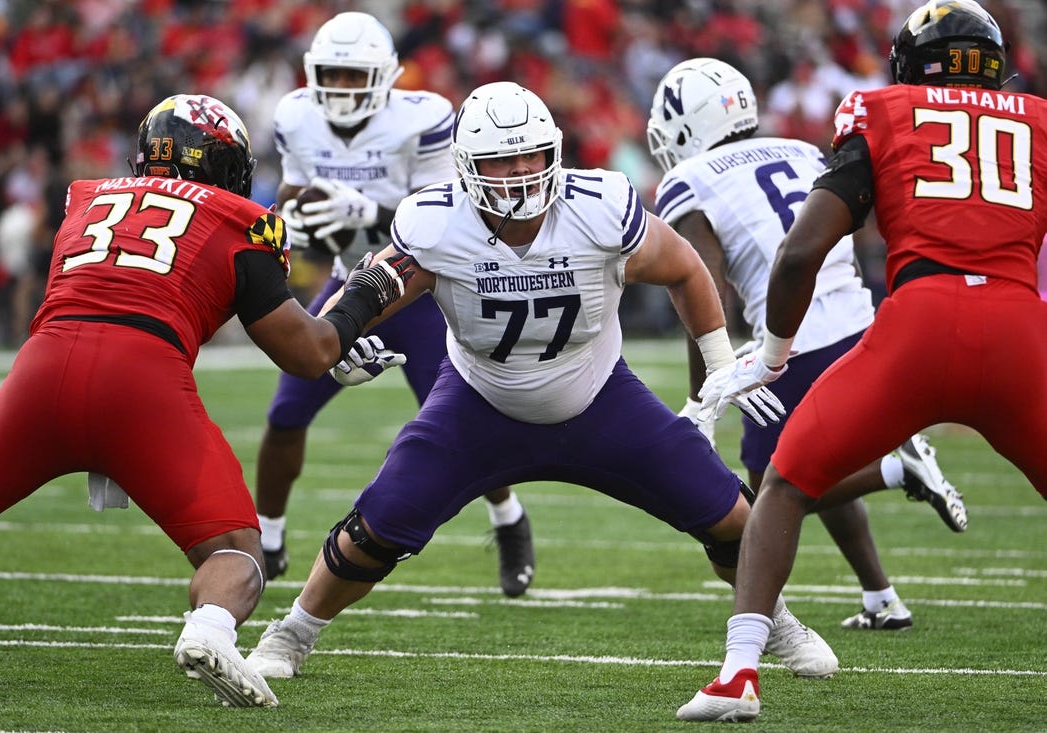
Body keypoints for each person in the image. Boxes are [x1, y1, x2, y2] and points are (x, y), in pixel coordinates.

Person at [244, 81, 840, 686]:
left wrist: (719, 362)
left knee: (731, 516)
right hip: (479, 403)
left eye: (532, 154)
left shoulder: (599, 206)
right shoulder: (436, 220)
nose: (522, 171)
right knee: (376, 526)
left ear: (555, 150)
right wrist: (341, 335)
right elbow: (375, 285)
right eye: (503, 158)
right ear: (466, 167)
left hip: (600, 398)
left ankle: (778, 621)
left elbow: (685, 266)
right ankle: (293, 630)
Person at [0, 93, 414, 708]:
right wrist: (369, 291)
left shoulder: (86, 197)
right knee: (235, 552)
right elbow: (306, 353)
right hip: (142, 380)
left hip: (40, 370)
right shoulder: (240, 217)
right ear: (223, 164)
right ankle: (210, 629)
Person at [680, 0, 1047, 722]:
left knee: (784, 482)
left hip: (917, 325)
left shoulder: (881, 111)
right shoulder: (1038, 120)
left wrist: (773, 354)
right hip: (1017, 329)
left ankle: (739, 673)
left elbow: (801, 251)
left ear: (908, 65)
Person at [646, 57, 967, 634]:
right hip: (862, 322)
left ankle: (897, 472)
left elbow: (701, 285)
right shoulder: (797, 148)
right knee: (819, 451)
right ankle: (881, 597)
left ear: (687, 124)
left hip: (793, 336)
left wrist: (703, 397)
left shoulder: (689, 179)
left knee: (770, 483)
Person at [259, 11, 536, 596]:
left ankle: (509, 520)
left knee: (459, 424)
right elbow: (291, 191)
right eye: (331, 74)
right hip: (345, 280)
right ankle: (268, 536)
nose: (340, 88)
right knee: (287, 412)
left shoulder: (425, 117)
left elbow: (450, 211)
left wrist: (371, 213)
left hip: (417, 287)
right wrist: (300, 214)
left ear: (385, 77)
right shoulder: (295, 116)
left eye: (353, 75)